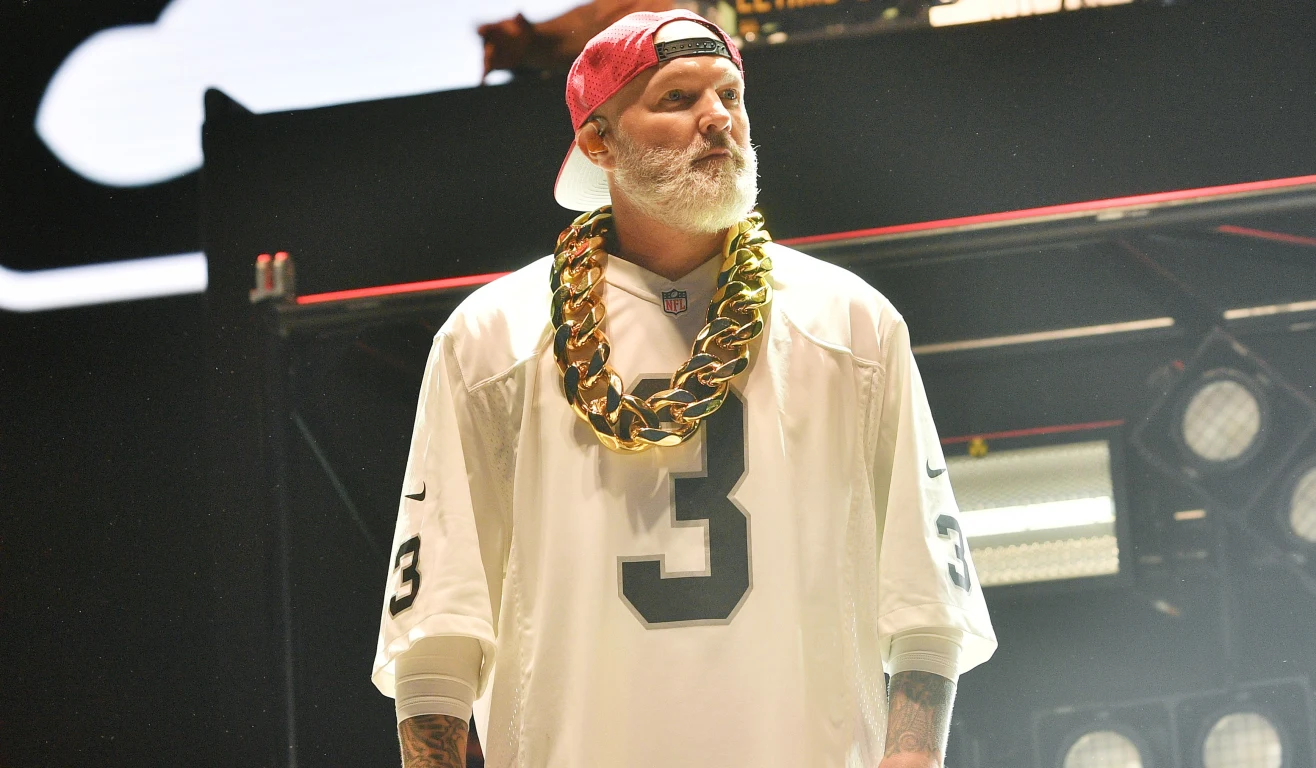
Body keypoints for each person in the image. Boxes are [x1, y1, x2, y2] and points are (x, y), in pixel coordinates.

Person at [372, 10, 996, 768]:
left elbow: (926, 602)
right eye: (677, 98)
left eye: (730, 95)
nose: (718, 118)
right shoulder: (490, 339)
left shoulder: (852, 325)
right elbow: (436, 630)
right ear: (598, 142)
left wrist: (912, 759)